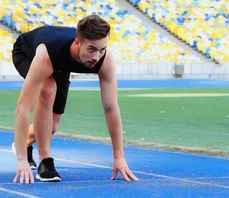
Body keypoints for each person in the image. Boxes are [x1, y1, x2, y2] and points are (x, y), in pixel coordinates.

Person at [11, 14, 139, 184]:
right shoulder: (46, 56)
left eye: (102, 49)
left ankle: (26, 141)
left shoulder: (104, 60)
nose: (96, 57)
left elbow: (111, 108)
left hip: (62, 65)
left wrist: (119, 156)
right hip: (27, 52)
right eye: (92, 49)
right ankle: (45, 161)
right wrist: (21, 160)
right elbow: (23, 108)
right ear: (77, 43)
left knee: (52, 126)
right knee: (47, 90)